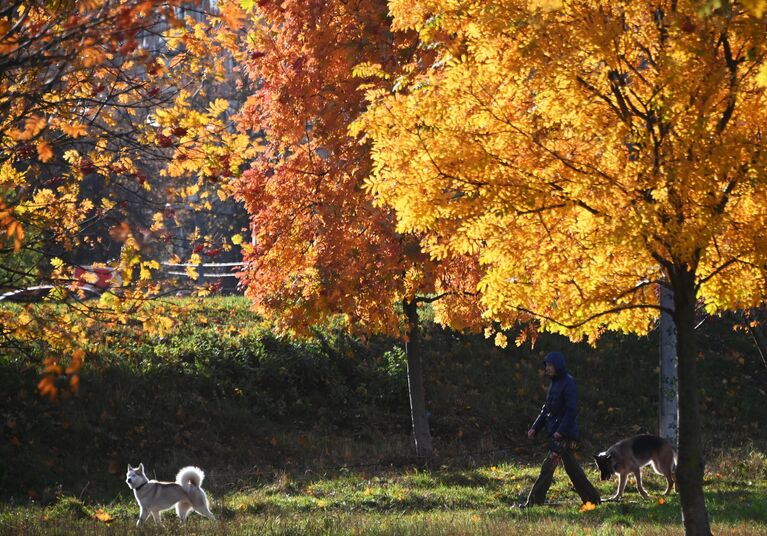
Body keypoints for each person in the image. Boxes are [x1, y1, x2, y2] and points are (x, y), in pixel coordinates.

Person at [520, 351, 601, 507]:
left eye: (550, 365)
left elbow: (572, 411)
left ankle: (533, 503)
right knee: (573, 469)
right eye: (546, 366)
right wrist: (534, 428)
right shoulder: (554, 383)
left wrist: (561, 431)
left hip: (565, 435)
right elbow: (546, 410)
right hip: (557, 434)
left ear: (558, 366)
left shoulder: (568, 383)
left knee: (548, 467)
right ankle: (593, 500)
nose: (547, 369)